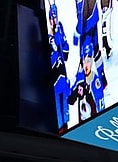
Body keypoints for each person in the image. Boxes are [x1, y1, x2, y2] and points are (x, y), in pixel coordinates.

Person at [48, 3, 71, 131]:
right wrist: (54, 50)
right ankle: (60, 127)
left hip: (62, 74)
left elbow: (66, 53)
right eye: (52, 17)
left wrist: (60, 44)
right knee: (57, 108)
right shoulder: (48, 37)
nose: (54, 20)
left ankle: (66, 128)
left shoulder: (60, 30)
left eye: (55, 17)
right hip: (54, 79)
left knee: (65, 106)